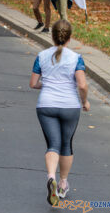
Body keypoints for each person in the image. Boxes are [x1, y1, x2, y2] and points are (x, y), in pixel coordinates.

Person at [29, 19, 90, 207]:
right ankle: (63, 183)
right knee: (66, 144)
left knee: (52, 145)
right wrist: (85, 101)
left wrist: (46, 86)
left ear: (52, 36)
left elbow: (33, 83)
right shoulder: (75, 58)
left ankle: (50, 177)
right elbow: (82, 84)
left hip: (46, 105)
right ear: (69, 37)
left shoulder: (41, 56)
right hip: (70, 106)